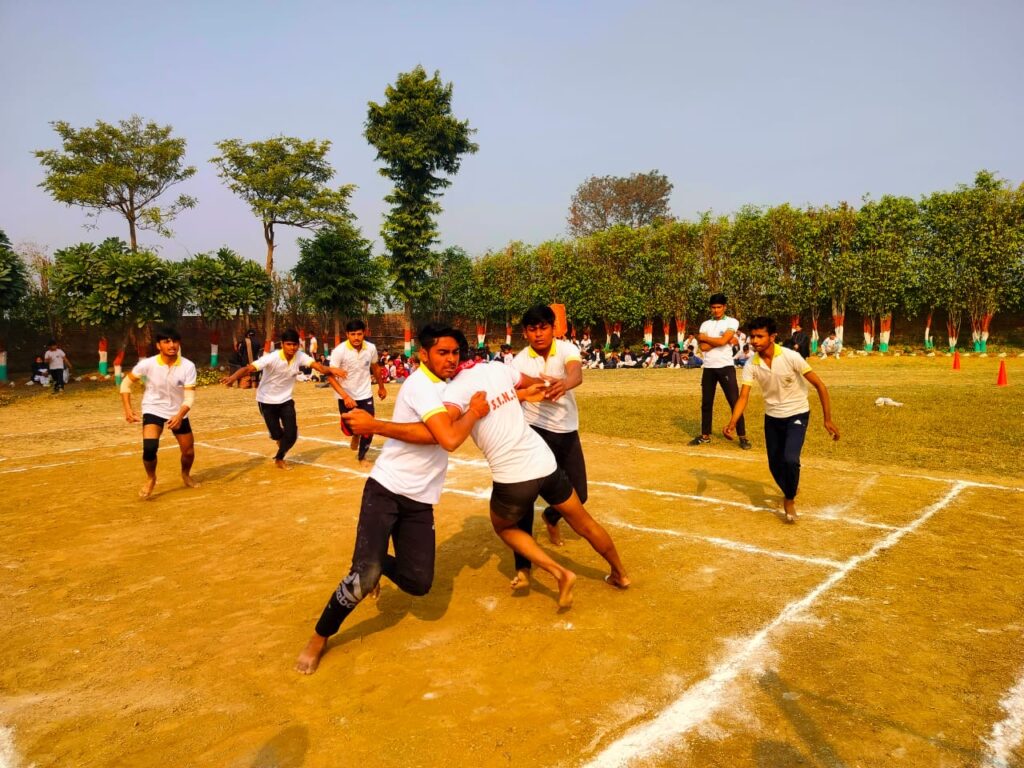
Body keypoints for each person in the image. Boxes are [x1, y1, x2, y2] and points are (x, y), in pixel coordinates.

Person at [349, 338, 630, 604]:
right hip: (544, 461)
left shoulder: (453, 391)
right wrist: (535, 390)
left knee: (504, 526)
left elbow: (441, 435)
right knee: (584, 522)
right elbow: (530, 385)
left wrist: (376, 426)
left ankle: (560, 572)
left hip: (513, 476)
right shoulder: (498, 368)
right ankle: (620, 573)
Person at [294, 324, 489, 675]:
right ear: (423, 354)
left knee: (419, 583)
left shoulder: (451, 386)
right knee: (363, 577)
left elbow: (435, 431)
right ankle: (319, 636)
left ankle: (378, 562)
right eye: (442, 352)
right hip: (386, 488)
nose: (451, 359)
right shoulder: (419, 384)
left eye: (455, 352)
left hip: (420, 499)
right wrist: (473, 412)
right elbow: (447, 438)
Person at [724, 316, 840, 523]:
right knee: (775, 465)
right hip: (772, 417)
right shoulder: (751, 363)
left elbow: (820, 386)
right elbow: (743, 397)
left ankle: (789, 499)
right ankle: (790, 487)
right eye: (752, 336)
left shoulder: (791, 356)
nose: (755, 341)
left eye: (760, 336)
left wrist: (827, 419)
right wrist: (733, 422)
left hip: (797, 413)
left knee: (790, 459)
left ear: (772, 337)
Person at [512, 305, 586, 549]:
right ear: (525, 332)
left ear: (553, 328)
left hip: (566, 429)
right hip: (534, 430)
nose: (538, 334)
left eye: (543, 328)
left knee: (580, 494)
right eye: (532, 329)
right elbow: (515, 393)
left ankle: (551, 517)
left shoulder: (566, 349)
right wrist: (532, 392)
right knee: (527, 490)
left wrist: (564, 384)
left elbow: (576, 373)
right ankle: (524, 554)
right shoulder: (519, 361)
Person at [220, 328, 346, 469]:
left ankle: (279, 458)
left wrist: (333, 370)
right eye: (288, 344)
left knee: (291, 435)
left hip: (286, 401)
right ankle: (277, 436)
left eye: (294, 344)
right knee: (277, 435)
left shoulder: (300, 356)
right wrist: (232, 378)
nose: (292, 348)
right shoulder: (271, 358)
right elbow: (248, 369)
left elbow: (320, 368)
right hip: (266, 401)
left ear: (298, 345)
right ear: (282, 344)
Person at [119, 327, 200, 499]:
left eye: (175, 341)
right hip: (153, 408)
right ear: (158, 345)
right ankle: (151, 478)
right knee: (149, 448)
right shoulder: (148, 364)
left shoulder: (188, 366)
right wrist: (127, 409)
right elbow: (125, 384)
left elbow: (189, 398)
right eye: (166, 342)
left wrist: (179, 416)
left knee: (188, 452)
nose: (172, 345)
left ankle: (185, 474)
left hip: (178, 411)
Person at [692, 293, 751, 449]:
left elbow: (718, 341)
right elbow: (703, 347)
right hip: (708, 367)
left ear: (724, 307)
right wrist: (723, 341)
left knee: (734, 402)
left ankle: (742, 436)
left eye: (719, 307)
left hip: (725, 367)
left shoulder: (732, 322)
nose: (716, 310)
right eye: (713, 307)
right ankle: (705, 435)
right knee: (706, 403)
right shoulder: (705, 324)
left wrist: (713, 339)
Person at [329, 320, 388, 467]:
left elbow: (375, 367)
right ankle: (354, 434)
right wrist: (345, 396)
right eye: (353, 334)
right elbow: (330, 376)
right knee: (349, 429)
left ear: (364, 333)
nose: (356, 337)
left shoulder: (371, 348)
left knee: (370, 426)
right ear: (347, 334)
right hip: (345, 395)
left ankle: (362, 456)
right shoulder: (339, 351)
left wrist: (381, 387)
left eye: (359, 334)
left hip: (365, 393)